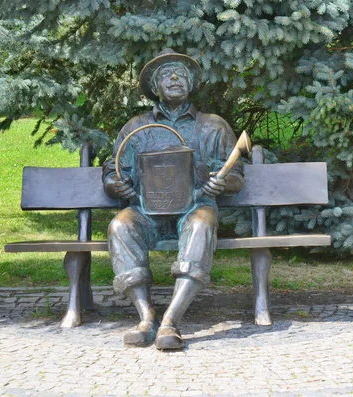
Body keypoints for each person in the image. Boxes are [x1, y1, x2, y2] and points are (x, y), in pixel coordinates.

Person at [102, 49, 243, 350]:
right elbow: (113, 170)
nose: (175, 78)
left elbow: (237, 176)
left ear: (191, 84)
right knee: (120, 226)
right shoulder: (136, 127)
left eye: (181, 74)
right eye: (166, 75)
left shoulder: (213, 126)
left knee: (202, 225)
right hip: (146, 211)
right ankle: (145, 317)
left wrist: (223, 182)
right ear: (155, 88)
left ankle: (170, 320)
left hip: (195, 206)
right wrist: (116, 185)